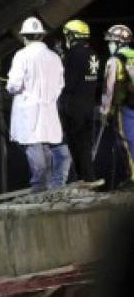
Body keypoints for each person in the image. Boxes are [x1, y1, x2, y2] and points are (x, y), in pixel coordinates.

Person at [6, 16, 64, 193]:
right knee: (45, 145)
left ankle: (39, 186)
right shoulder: (54, 57)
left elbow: (14, 84)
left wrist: (10, 88)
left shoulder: (22, 55)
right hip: (48, 108)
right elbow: (60, 84)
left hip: (28, 109)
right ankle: (47, 185)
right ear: (41, 36)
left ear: (25, 37)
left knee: (34, 146)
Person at [56, 19, 100, 185]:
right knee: (85, 144)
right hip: (88, 104)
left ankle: (83, 179)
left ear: (72, 35)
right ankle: (88, 177)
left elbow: (68, 83)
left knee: (75, 144)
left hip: (73, 106)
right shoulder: (92, 53)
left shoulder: (74, 54)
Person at [101, 24, 134, 185]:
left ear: (119, 42)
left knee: (126, 140)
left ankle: (132, 177)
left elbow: (109, 87)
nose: (110, 45)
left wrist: (105, 110)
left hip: (125, 106)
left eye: (112, 41)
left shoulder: (114, 60)